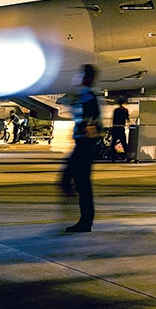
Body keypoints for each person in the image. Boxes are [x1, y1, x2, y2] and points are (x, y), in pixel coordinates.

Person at [62, 65, 103, 233]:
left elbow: (91, 121)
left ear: (86, 77)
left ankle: (86, 221)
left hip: (85, 144)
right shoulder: (86, 95)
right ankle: (84, 219)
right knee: (76, 180)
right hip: (83, 142)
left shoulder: (88, 95)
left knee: (81, 182)